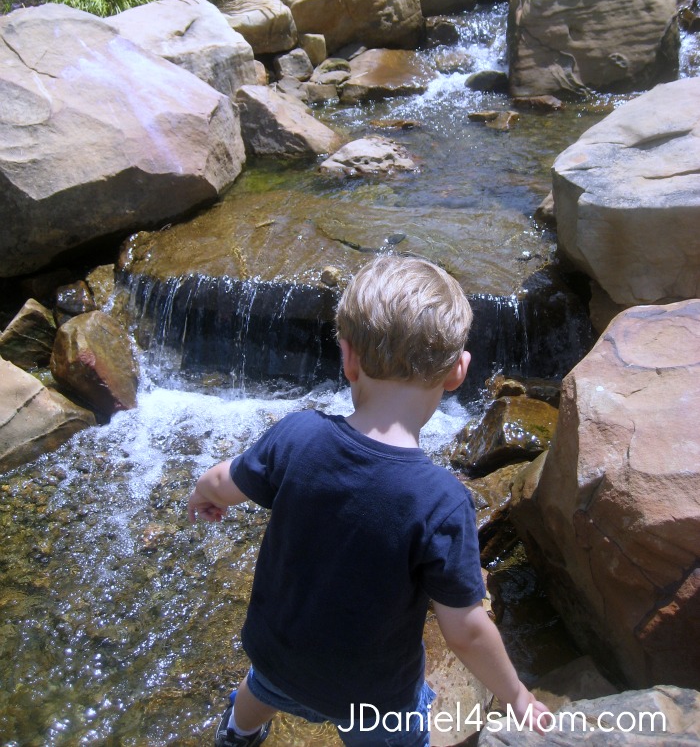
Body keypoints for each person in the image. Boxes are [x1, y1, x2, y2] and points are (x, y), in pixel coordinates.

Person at [188, 255, 549, 747]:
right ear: (457, 372)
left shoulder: (298, 434)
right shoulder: (442, 501)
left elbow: (219, 480)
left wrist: (205, 497)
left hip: (276, 657)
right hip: (374, 697)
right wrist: (515, 696)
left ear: (348, 357)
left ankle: (238, 733)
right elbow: (464, 629)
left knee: (263, 688)